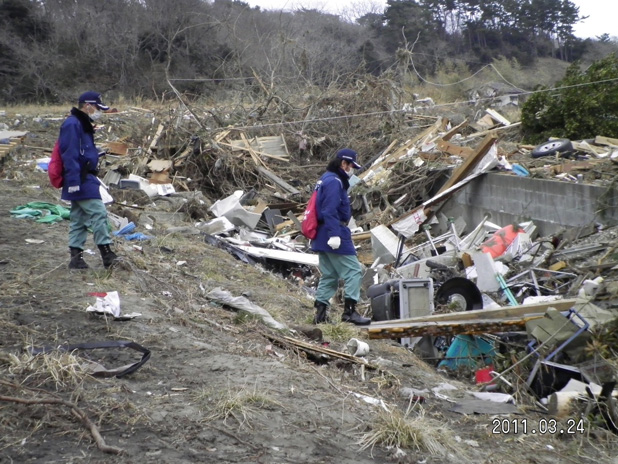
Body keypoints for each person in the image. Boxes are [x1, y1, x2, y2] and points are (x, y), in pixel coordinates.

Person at [59, 91, 120, 270]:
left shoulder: (81, 123)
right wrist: (73, 180)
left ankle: (76, 260)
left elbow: (81, 150)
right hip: (80, 178)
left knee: (79, 218)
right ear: (88, 105)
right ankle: (107, 255)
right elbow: (69, 154)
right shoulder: (73, 123)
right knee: (99, 213)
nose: (98, 111)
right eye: (97, 107)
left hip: (84, 176)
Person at [310, 148, 371, 326]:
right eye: (351, 165)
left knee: (330, 274)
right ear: (343, 163)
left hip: (321, 234)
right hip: (333, 231)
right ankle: (350, 313)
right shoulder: (335, 181)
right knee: (354, 270)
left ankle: (320, 315)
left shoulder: (325, 178)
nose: (351, 170)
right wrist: (335, 235)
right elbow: (329, 210)